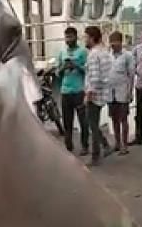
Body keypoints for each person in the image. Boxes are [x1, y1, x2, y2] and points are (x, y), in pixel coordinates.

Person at [56, 27, 89, 155]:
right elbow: (57, 73)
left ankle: (85, 146)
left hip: (79, 90)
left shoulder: (83, 52)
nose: (68, 40)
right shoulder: (62, 52)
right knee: (67, 120)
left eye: (70, 37)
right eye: (66, 37)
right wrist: (63, 68)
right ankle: (68, 145)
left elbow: (87, 70)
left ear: (76, 37)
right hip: (66, 91)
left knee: (83, 121)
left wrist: (75, 66)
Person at [84, 26, 113, 166]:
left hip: (94, 93)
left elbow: (94, 77)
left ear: (91, 38)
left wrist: (89, 93)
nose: (85, 40)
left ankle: (96, 154)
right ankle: (105, 145)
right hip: (104, 92)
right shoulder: (105, 53)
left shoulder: (93, 55)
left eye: (86, 37)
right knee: (94, 123)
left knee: (92, 125)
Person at [107, 31, 135, 155]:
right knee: (114, 118)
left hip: (123, 90)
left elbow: (131, 75)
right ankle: (117, 143)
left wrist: (130, 92)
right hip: (110, 91)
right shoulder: (108, 56)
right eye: (111, 42)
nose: (113, 45)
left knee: (123, 118)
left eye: (115, 42)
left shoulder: (127, 56)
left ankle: (125, 145)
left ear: (120, 42)